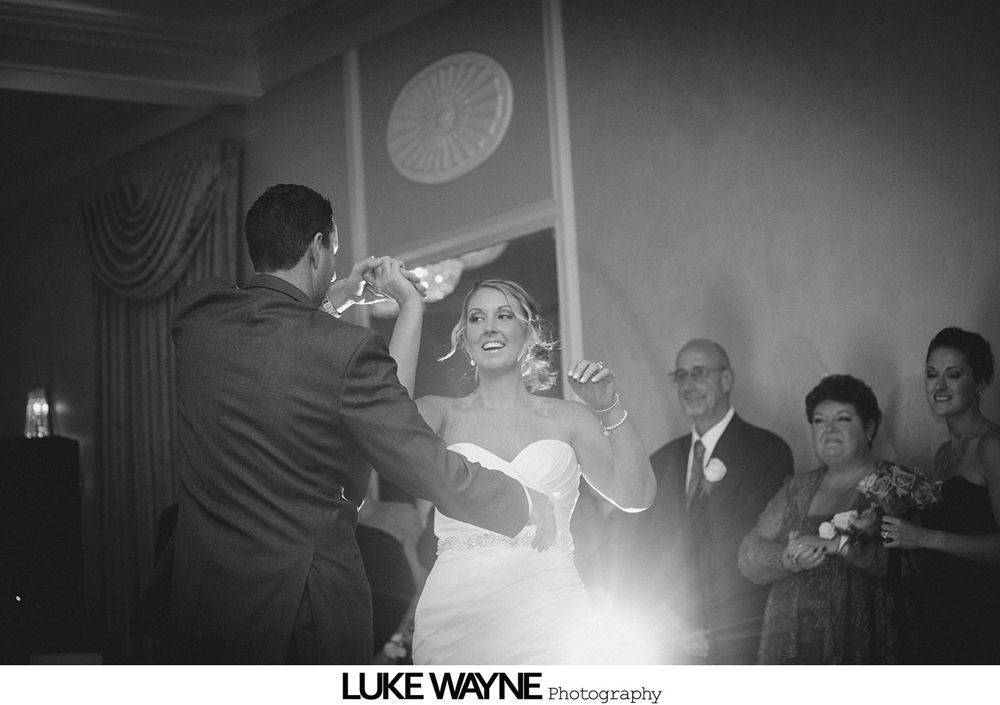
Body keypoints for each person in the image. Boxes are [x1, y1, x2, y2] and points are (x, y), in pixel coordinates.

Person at [168, 184, 554, 664]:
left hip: (202, 602)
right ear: (317, 247)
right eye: (332, 248)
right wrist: (520, 500)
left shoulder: (200, 316)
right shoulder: (345, 350)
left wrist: (335, 296)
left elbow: (277, 340)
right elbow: (417, 460)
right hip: (298, 609)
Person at [381, 277, 657, 664]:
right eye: (477, 318)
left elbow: (636, 497)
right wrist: (410, 305)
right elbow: (385, 415)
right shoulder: (442, 414)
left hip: (551, 615)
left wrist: (608, 408)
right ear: (465, 338)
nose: (490, 326)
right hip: (456, 618)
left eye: (504, 315)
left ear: (528, 333)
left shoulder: (570, 418)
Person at [632, 339, 792, 664]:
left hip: (736, 635)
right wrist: (667, 614)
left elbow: (745, 545)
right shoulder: (660, 462)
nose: (688, 385)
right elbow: (645, 546)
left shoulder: (766, 451)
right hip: (665, 640)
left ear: (727, 379)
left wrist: (703, 624)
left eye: (699, 373)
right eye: (680, 376)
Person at [738, 374, 905, 664]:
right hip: (793, 641)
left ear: (869, 427)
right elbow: (749, 551)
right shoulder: (796, 488)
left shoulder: (893, 485)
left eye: (842, 419)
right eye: (818, 421)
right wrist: (788, 560)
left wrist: (838, 546)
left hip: (862, 641)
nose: (828, 430)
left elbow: (909, 564)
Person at [881, 326, 1000, 663]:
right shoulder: (944, 453)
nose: (939, 385)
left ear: (979, 382)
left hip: (984, 612)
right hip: (942, 607)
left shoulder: (992, 447)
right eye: (932, 374)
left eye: (953, 374)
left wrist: (924, 537)